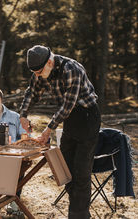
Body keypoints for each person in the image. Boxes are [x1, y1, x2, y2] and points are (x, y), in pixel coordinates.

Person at [19, 45, 101, 219]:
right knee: (66, 169)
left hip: (87, 117)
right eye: (35, 73)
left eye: (39, 72)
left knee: (81, 170)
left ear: (49, 62)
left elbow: (68, 105)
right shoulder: (42, 71)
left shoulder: (72, 69)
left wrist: (48, 129)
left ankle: (78, 215)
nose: (37, 76)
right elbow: (31, 92)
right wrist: (23, 115)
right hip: (69, 120)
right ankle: (77, 209)